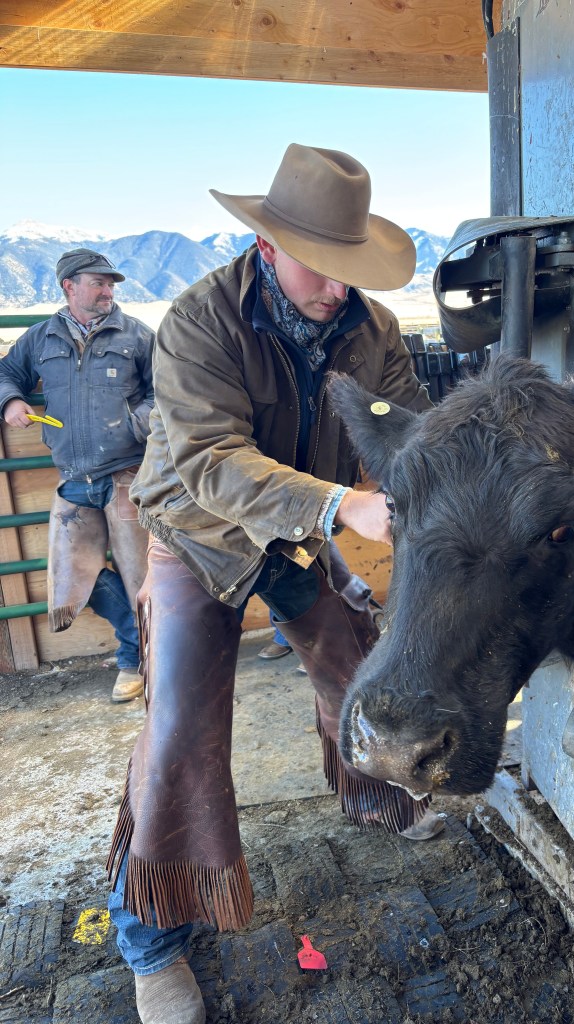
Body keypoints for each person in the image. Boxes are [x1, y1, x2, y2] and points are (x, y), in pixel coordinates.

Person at [105, 143, 442, 1024]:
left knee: (356, 660)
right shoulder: (199, 321)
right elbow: (211, 461)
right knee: (181, 730)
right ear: (266, 247)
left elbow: (402, 426)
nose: (336, 286)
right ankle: (153, 942)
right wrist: (341, 505)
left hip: (297, 530)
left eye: (347, 266)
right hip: (199, 534)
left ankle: (380, 794)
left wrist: (429, 482)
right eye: (318, 265)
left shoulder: (372, 329)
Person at [0, 249, 154, 703]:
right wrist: (11, 400)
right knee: (69, 578)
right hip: (73, 477)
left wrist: (135, 423)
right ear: (69, 286)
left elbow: (166, 391)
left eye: (110, 284)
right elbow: (6, 372)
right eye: (98, 282)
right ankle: (139, 644)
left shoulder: (137, 335)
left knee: (140, 575)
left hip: (127, 476)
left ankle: (136, 661)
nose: (108, 291)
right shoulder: (40, 337)